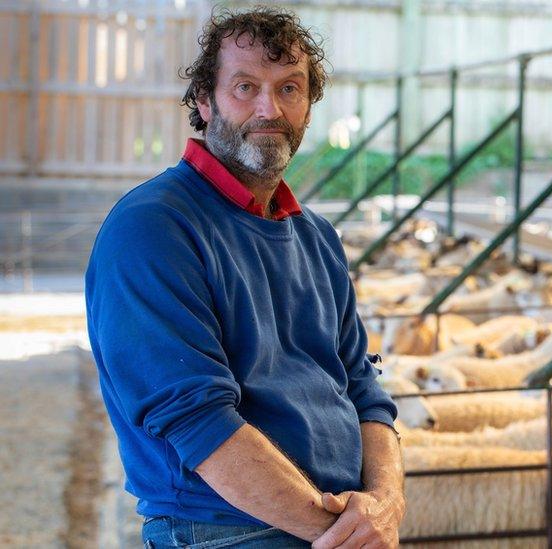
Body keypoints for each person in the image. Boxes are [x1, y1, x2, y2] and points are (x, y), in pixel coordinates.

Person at [85, 7, 404, 548]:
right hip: (226, 530)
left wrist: (385, 505)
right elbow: (198, 422)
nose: (269, 108)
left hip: (337, 526)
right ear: (204, 102)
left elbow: (364, 392)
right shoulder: (154, 229)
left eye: (290, 88)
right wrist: (343, 534)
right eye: (245, 86)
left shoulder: (316, 238)